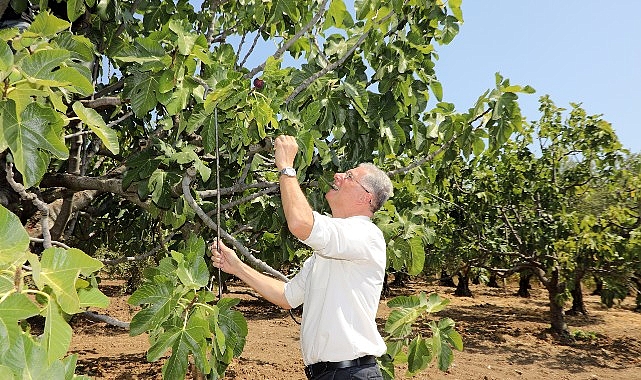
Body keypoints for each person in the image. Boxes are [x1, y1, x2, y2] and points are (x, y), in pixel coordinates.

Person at [211, 135, 393, 380]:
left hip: (351, 373)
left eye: (349, 176)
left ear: (366, 198)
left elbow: (300, 223)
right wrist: (238, 267)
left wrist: (286, 167)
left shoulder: (365, 234)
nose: (338, 176)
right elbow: (287, 297)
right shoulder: (328, 251)